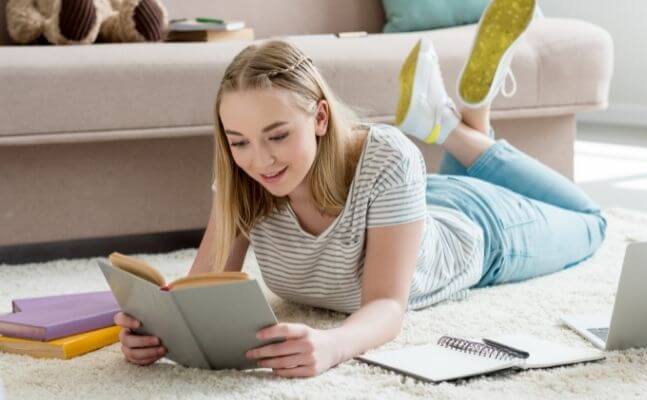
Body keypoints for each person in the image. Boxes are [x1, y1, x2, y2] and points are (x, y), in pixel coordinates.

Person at [113, 0, 606, 378]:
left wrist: (332, 345)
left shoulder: (389, 157)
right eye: (239, 141)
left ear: (320, 117)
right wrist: (161, 333)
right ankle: (466, 119)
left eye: (278, 135)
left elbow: (388, 307)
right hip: (407, 212)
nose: (259, 160)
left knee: (592, 223)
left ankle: (454, 129)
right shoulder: (244, 173)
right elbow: (201, 294)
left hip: (483, 231)